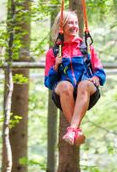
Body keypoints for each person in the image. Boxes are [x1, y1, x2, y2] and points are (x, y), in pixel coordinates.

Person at [44, 9, 105, 146]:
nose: (74, 26)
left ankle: (72, 129)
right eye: (70, 23)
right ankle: (76, 130)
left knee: (84, 84)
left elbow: (100, 71)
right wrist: (55, 67)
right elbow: (48, 82)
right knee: (65, 85)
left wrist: (97, 77)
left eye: (76, 23)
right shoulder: (53, 53)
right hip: (65, 94)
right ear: (62, 27)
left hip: (87, 91)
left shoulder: (86, 48)